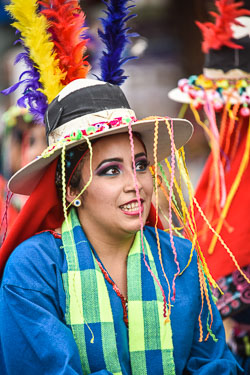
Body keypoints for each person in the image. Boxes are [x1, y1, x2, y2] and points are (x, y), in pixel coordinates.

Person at [0, 78, 241, 374]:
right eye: (111, 171)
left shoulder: (181, 258)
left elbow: (214, 363)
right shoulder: (34, 268)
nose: (135, 184)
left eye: (140, 166)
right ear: (72, 191)